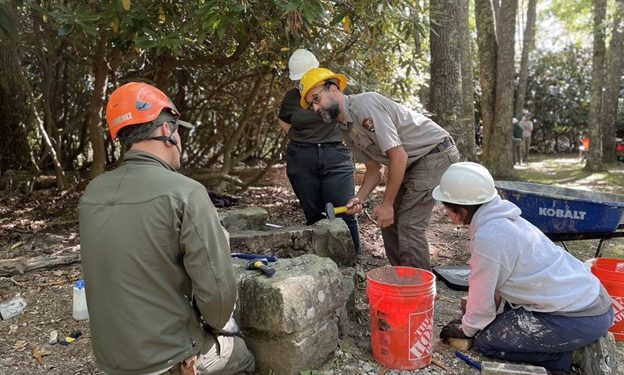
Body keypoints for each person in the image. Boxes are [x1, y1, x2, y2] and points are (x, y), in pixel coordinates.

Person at [79, 82, 255, 375]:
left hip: (110, 361)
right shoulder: (186, 193)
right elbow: (219, 304)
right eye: (178, 129)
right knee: (243, 356)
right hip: (167, 361)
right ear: (166, 130)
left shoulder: (92, 194)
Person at [433, 162, 616, 375]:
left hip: (579, 317)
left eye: (447, 209)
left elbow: (483, 294)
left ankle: (571, 356)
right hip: (589, 302)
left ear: (462, 211)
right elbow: (494, 288)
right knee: (506, 318)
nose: (446, 214)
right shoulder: (504, 219)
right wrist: (474, 321)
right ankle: (569, 343)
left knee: (488, 342)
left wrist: (467, 328)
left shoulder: (488, 237)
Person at [299, 67, 460, 270]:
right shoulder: (345, 129)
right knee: (389, 223)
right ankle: (401, 280)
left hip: (434, 154)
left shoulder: (365, 104)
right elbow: (375, 169)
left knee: (409, 225)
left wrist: (387, 203)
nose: (315, 108)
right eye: (311, 105)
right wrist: (360, 198)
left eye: (316, 98)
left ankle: (418, 293)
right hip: (412, 163)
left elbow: (398, 156)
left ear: (333, 89)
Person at [278, 49, 361, 260]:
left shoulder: (330, 91)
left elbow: (348, 116)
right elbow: (283, 119)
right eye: (298, 80)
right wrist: (298, 138)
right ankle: (322, 262)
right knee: (314, 213)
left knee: (343, 211)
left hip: (335, 153)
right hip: (302, 157)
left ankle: (353, 259)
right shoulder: (292, 97)